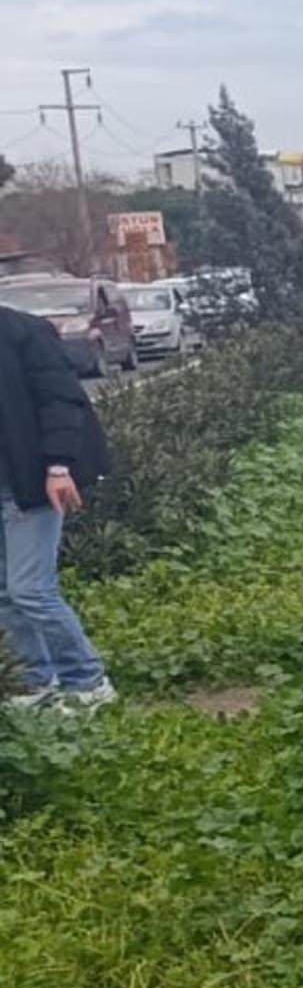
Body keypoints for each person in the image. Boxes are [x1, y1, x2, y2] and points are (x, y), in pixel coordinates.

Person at [0, 298, 114, 710]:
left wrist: (58, 465)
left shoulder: (24, 332)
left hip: (30, 483)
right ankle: (36, 681)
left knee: (31, 589)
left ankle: (87, 681)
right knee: (4, 595)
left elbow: (61, 400)